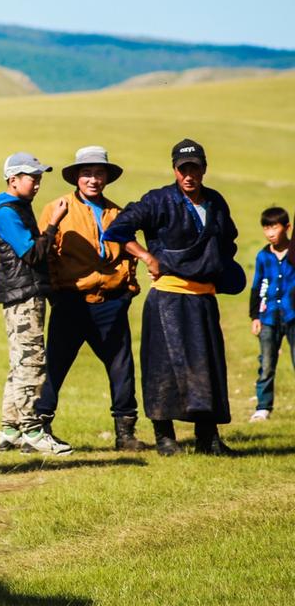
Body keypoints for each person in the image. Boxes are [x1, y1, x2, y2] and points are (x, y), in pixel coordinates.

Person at [104, 138, 246, 456]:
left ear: (204, 169)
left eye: (194, 168)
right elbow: (117, 229)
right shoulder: (158, 200)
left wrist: (222, 270)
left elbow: (229, 241)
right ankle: (165, 438)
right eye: (183, 169)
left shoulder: (216, 202)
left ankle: (208, 439)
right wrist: (146, 256)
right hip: (168, 297)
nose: (189, 175)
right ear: (174, 170)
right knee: (163, 369)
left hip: (204, 298)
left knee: (206, 367)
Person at [33, 146, 148, 452]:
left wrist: (128, 291)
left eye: (99, 173)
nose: (93, 179)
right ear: (77, 177)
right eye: (87, 173)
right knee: (55, 364)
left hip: (111, 301)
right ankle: (38, 430)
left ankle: (126, 433)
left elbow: (128, 255)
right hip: (71, 300)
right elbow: (47, 254)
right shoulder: (57, 208)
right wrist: (56, 293)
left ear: (107, 177)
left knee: (121, 365)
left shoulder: (117, 213)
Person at [0, 153, 71, 455]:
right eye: (32, 177)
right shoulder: (8, 212)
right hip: (23, 294)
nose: (37, 183)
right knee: (31, 362)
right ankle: (32, 430)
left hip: (24, 292)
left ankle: (9, 429)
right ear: (13, 180)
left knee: (20, 361)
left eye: (39, 177)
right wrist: (53, 225)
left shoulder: (18, 207)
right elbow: (32, 255)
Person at [250, 206, 295, 422]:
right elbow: (256, 287)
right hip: (268, 316)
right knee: (266, 363)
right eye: (266, 228)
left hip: (292, 314)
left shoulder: (293, 254)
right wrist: (255, 317)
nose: (270, 233)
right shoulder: (262, 256)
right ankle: (263, 407)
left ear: (287, 227)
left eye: (274, 227)